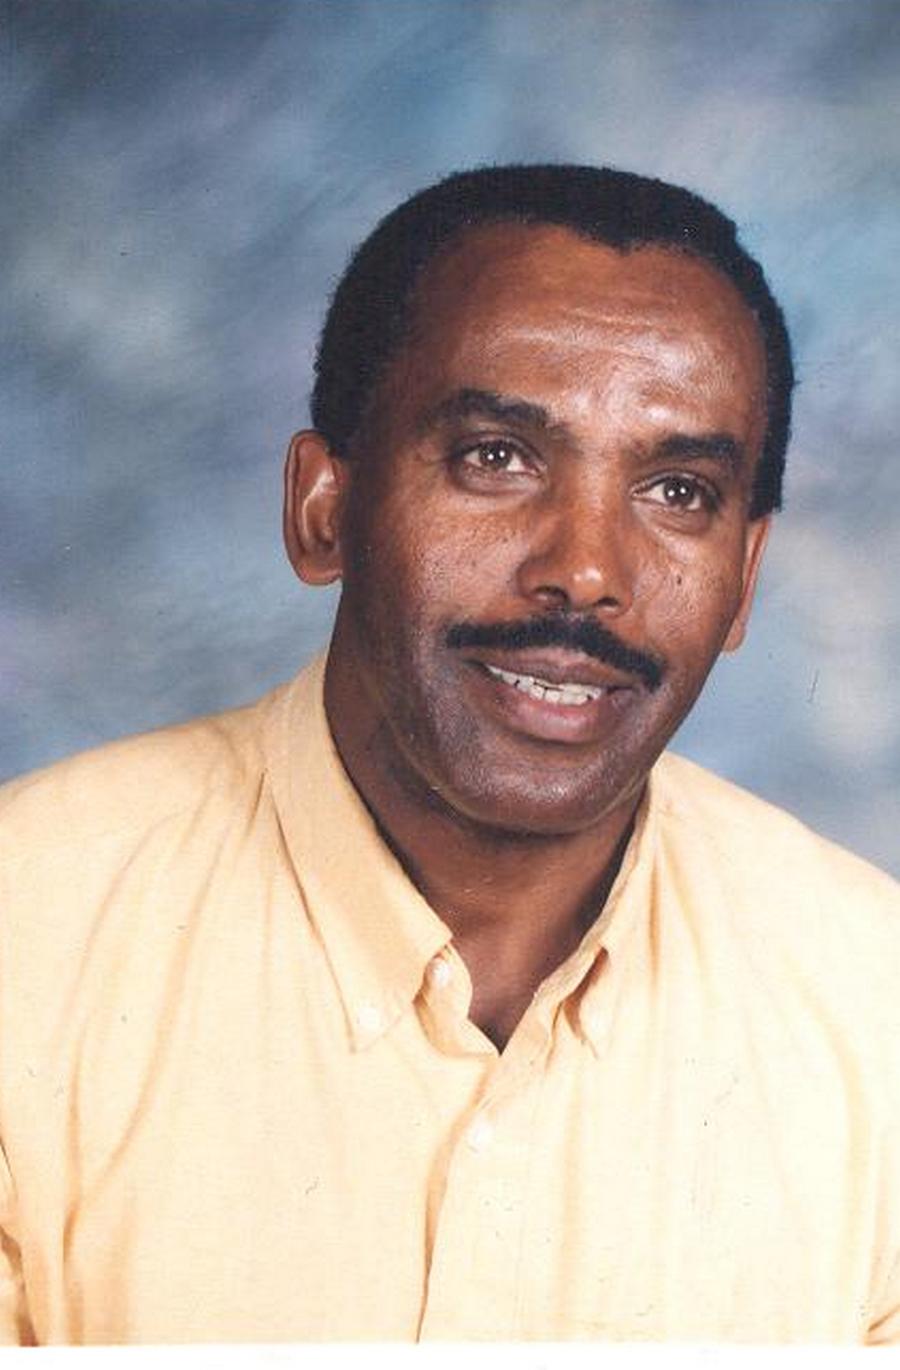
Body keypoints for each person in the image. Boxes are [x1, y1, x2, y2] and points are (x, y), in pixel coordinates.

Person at [1, 163, 898, 1346]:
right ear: (324, 508)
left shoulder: (872, 1003)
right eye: (497, 456)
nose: (587, 570)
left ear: (743, 575)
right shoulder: (29, 934)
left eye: (678, 489)